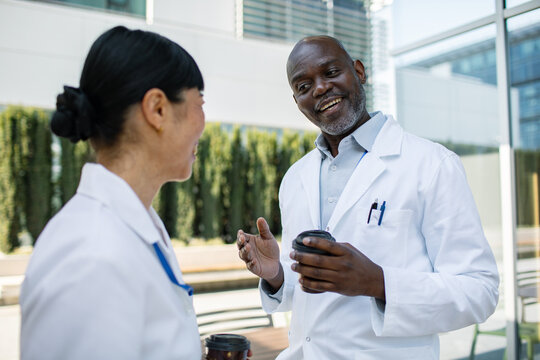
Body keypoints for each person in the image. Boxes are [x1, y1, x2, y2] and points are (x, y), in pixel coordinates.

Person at [237, 35, 500, 359]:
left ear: (359, 72)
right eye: (303, 87)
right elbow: (309, 295)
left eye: (331, 72)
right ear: (297, 102)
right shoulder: (295, 178)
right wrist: (276, 274)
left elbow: (480, 290)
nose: (319, 89)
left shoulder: (431, 165)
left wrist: (378, 282)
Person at [20, 26, 206, 359]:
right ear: (157, 109)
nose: (204, 122)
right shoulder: (92, 256)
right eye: (199, 102)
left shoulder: (131, 227)